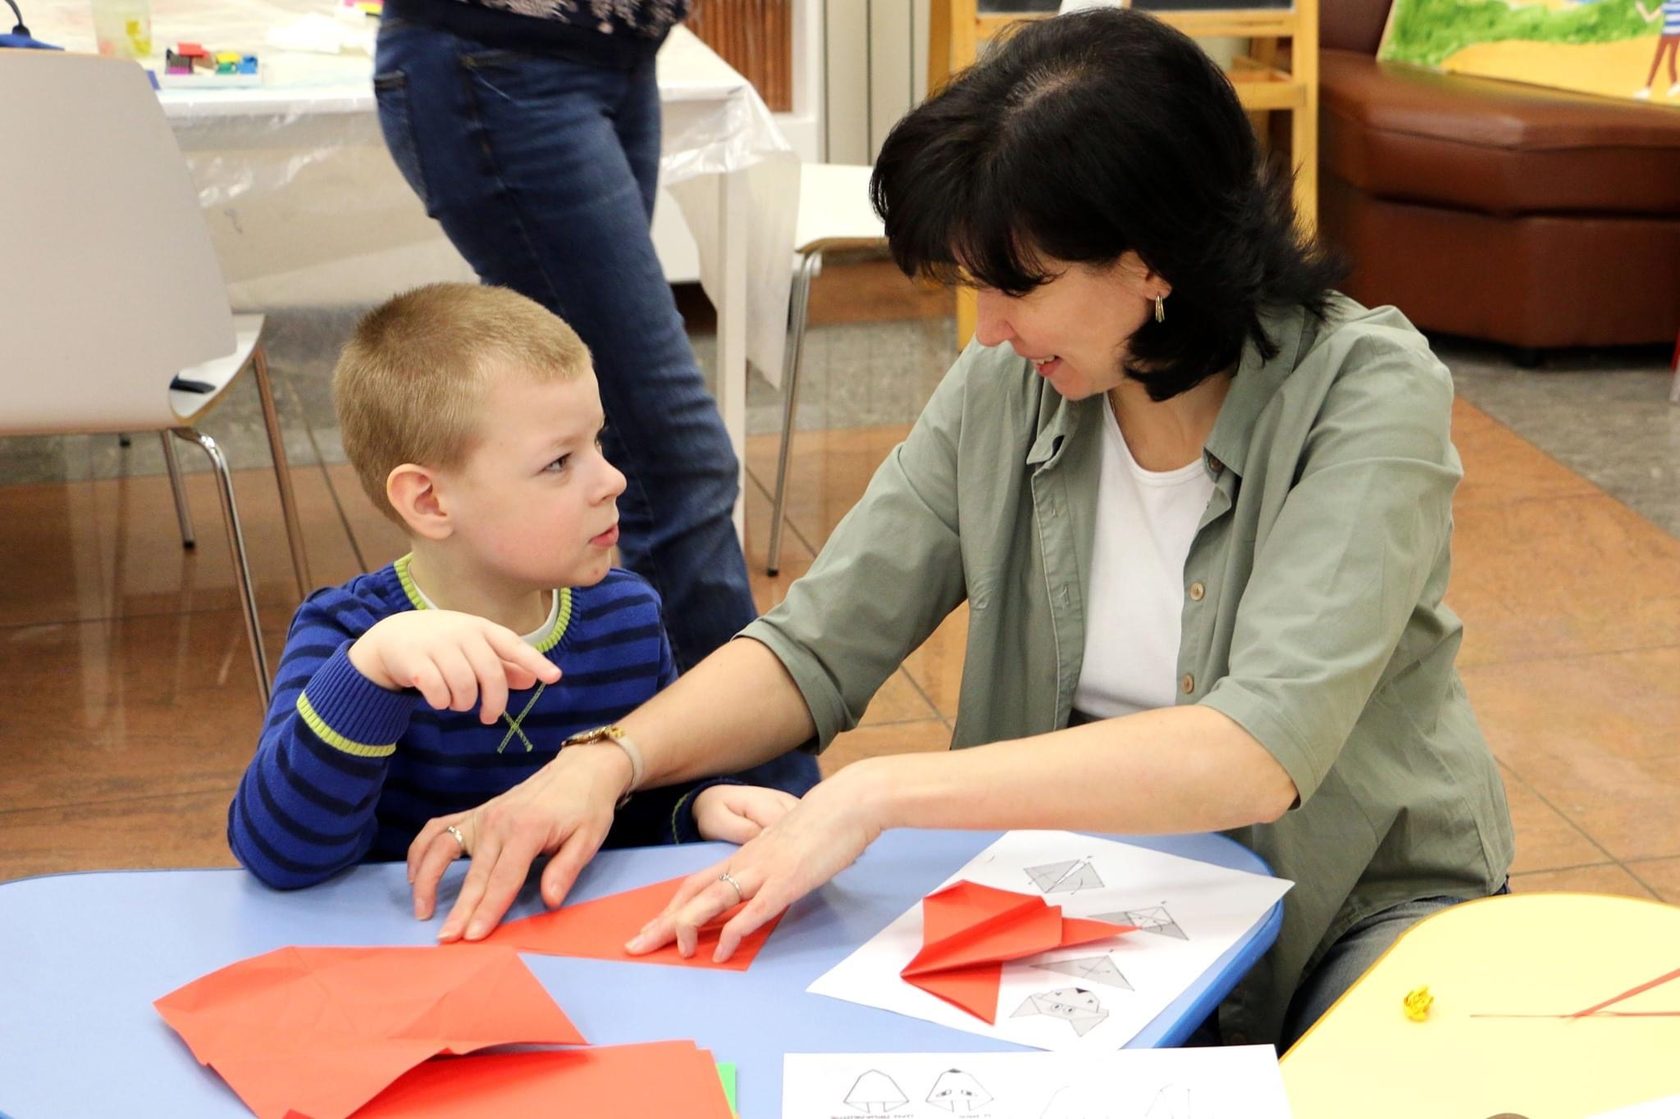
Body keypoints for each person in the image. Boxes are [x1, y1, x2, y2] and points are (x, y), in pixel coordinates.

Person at [409, 10, 1515, 1048]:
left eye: (1019, 286)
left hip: (1349, 901)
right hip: (1089, 886)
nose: (985, 331)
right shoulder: (1011, 383)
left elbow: (1255, 754)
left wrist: (876, 793)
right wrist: (607, 762)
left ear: (1153, 259)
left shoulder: (1365, 391)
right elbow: (819, 645)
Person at [228, 284, 808, 904]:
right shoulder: (346, 634)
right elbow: (277, 853)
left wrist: (697, 807)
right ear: (429, 501)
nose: (612, 479)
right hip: (410, 962)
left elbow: (633, 803)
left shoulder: (627, 617)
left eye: (598, 442)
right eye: (559, 462)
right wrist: (371, 674)